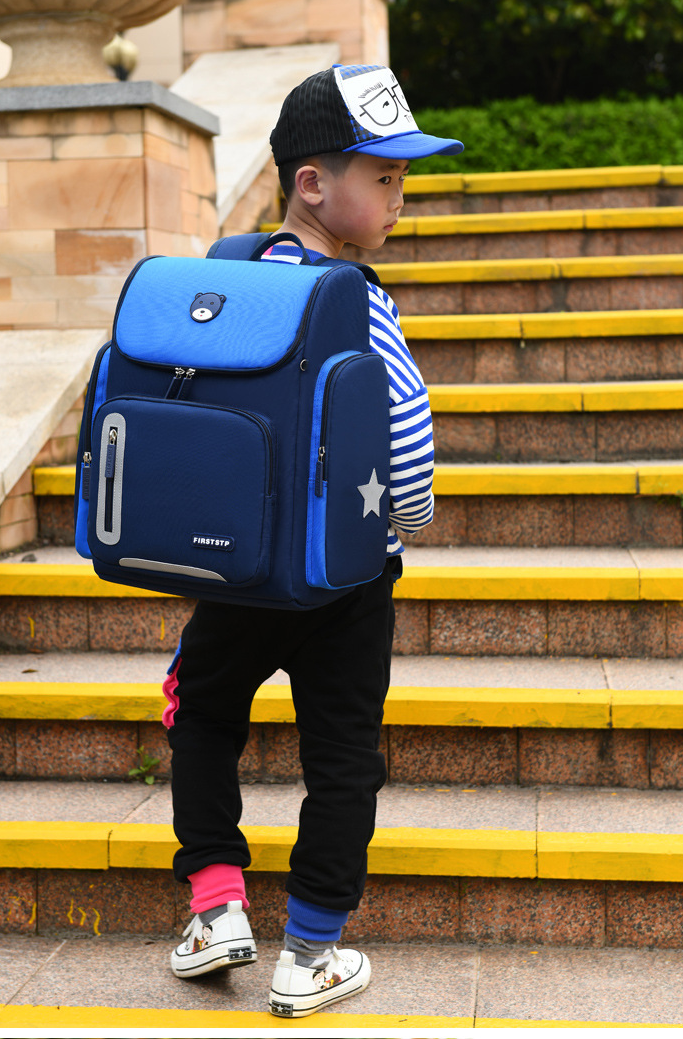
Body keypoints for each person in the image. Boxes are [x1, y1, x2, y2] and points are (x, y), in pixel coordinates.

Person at [163, 63, 463, 1018]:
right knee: (343, 755)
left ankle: (216, 906)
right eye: (384, 177)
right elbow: (407, 431)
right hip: (347, 577)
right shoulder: (354, 294)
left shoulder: (229, 275)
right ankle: (312, 951)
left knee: (201, 712)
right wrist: (406, 524)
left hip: (243, 567)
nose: (399, 196)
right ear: (311, 183)